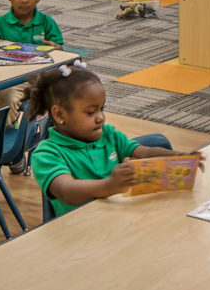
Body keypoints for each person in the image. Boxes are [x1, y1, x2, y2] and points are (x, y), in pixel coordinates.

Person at [29, 63, 192, 217]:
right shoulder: (47, 154)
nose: (100, 117)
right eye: (91, 112)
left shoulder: (109, 135)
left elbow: (145, 152)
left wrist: (177, 157)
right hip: (81, 232)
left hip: (119, 219)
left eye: (101, 109)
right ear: (59, 114)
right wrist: (109, 186)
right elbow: (66, 190)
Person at [0, 0, 63, 169]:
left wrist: (55, 48)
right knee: (7, 96)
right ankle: (9, 145)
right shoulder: (0, 24)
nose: (24, 0)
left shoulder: (46, 23)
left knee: (66, 94)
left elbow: (60, 51)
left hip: (40, 81)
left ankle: (57, 146)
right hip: (12, 81)